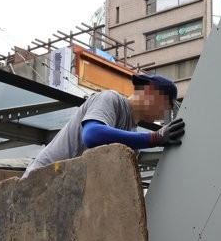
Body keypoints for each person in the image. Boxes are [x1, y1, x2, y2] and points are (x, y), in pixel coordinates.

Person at [23, 73, 184, 177]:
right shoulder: (110, 99)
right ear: (150, 91)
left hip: (64, 188)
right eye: (166, 106)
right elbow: (92, 135)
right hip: (40, 178)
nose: (164, 114)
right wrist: (155, 138)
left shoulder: (133, 143)